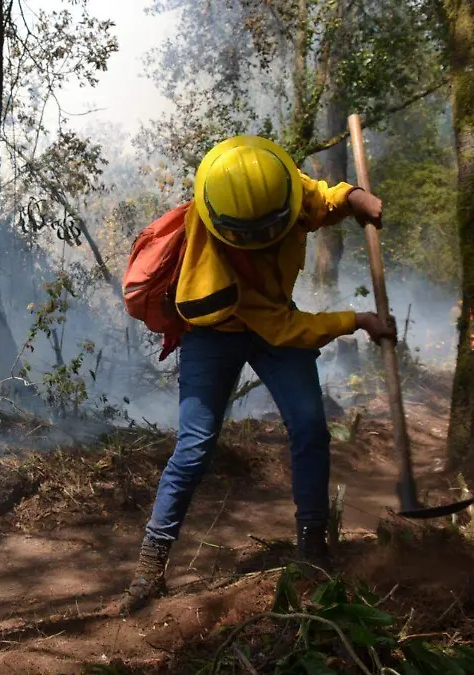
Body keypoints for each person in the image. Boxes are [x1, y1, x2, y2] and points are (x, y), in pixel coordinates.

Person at [117, 136, 396, 616]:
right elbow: (284, 328)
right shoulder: (211, 260)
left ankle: (312, 547)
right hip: (217, 332)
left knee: (309, 427)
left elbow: (319, 199)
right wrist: (357, 321)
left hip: (275, 318)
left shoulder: (277, 186)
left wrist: (353, 198)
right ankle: (150, 567)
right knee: (196, 444)